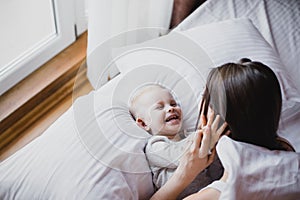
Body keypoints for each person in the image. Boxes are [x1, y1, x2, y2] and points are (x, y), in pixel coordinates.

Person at [150, 58, 296, 200]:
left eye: (205, 97)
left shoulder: (217, 194)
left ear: (216, 118)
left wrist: (184, 174)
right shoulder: (287, 152)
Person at [129, 84, 228, 198]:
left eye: (173, 104)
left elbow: (211, 167)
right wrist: (203, 133)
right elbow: (181, 155)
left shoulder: (189, 136)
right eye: (160, 107)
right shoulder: (155, 146)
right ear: (143, 123)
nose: (171, 108)